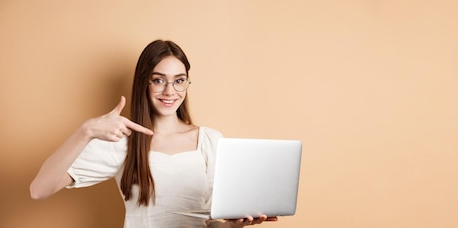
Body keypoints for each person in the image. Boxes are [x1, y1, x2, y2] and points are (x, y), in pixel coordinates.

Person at [30, 40, 276, 227]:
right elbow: (39, 190)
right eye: (159, 80)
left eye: (179, 81)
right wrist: (87, 130)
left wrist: (232, 226)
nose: (170, 91)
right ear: (143, 83)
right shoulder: (121, 141)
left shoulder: (211, 140)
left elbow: (209, 222)